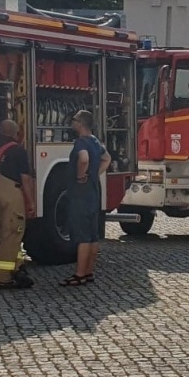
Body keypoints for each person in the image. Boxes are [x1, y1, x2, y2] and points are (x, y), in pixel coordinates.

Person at [0, 119, 36, 290]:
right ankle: (3, 277)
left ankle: (17, 267)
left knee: (3, 232)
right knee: (12, 232)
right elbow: (25, 179)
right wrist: (30, 202)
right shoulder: (18, 150)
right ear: (14, 133)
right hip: (11, 192)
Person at [63, 109, 110, 287]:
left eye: (74, 119)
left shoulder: (80, 142)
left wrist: (81, 176)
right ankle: (89, 272)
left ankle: (80, 274)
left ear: (80, 124)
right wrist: (94, 175)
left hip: (80, 194)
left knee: (82, 236)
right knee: (93, 236)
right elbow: (107, 158)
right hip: (93, 193)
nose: (72, 122)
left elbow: (83, 159)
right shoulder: (96, 141)